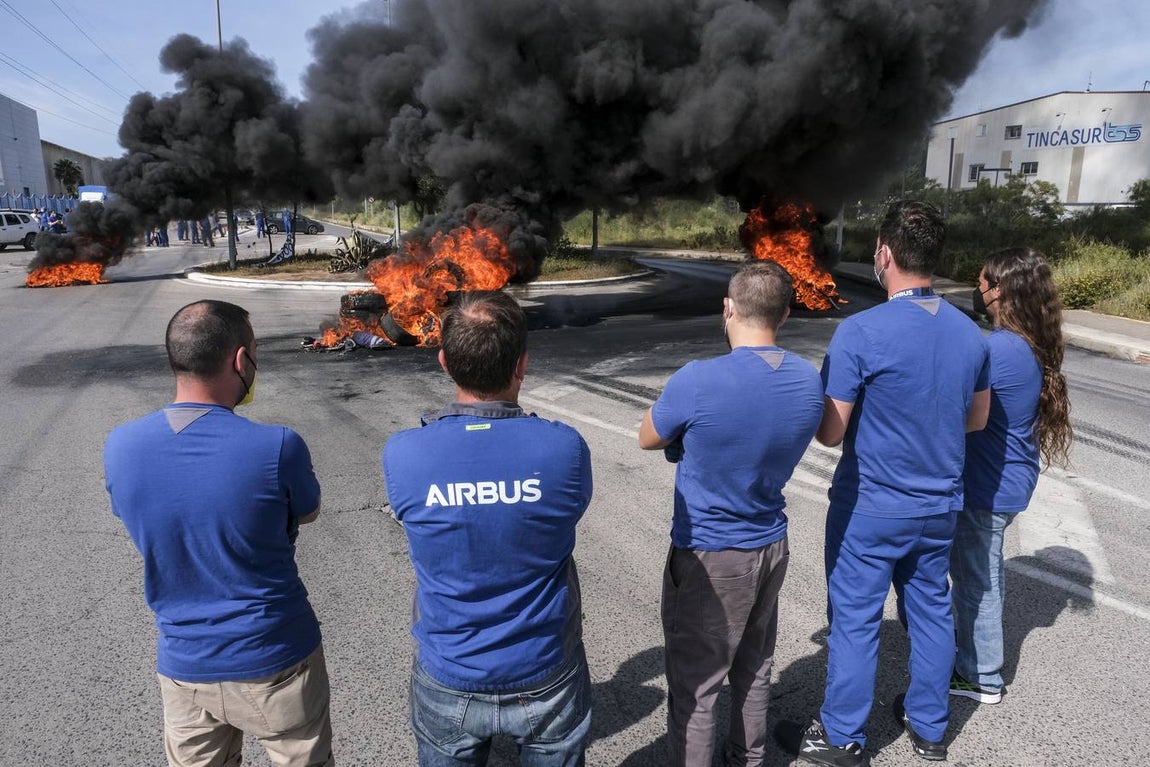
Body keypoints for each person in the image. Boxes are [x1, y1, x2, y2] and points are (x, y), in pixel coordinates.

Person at [799, 201, 990, 766]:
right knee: (930, 609)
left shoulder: (860, 331)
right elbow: (977, 419)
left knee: (855, 619)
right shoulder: (970, 333)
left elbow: (830, 433)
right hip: (939, 505)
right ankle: (930, 727)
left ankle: (841, 736)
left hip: (870, 507)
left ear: (883, 255)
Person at [104, 300, 333, 767]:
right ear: (241, 361)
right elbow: (308, 512)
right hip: (277, 656)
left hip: (185, 666)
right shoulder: (278, 445)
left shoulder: (120, 446)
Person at [382, 291, 593, 766]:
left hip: (448, 670)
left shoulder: (403, 453)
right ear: (522, 365)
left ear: (444, 362)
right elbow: (567, 513)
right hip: (545, 671)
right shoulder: (564, 449)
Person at [638, 260, 824, 767]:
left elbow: (648, 436)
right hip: (771, 544)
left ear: (728, 308)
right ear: (784, 315)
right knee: (755, 665)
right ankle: (747, 757)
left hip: (712, 553)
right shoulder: (807, 380)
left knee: (698, 687)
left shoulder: (698, 379)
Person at [950, 248, 1072, 705]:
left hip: (987, 485)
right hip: (1008, 479)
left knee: (977, 582)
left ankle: (980, 676)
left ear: (999, 290)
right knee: (981, 573)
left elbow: (959, 410)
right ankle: (968, 651)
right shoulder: (1026, 342)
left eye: (981, 282)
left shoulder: (998, 350)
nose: (976, 289)